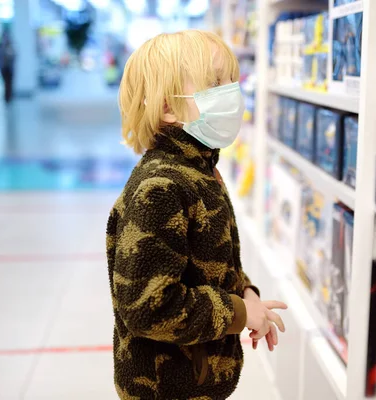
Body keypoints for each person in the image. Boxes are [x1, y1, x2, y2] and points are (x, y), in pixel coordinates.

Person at [106, 30, 287, 399]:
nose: (232, 94)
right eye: (216, 83)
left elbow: (207, 260)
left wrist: (245, 292)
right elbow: (148, 308)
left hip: (195, 380)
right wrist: (237, 313)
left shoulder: (199, 170)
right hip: (165, 386)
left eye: (232, 82)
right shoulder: (161, 188)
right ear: (168, 108)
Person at [0, 28, 16, 104]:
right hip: (2, 68)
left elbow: (13, 56)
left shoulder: (11, 46)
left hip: (9, 68)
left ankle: (8, 97)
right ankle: (5, 97)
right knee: (3, 83)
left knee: (9, 83)